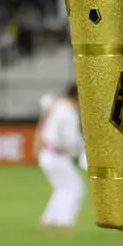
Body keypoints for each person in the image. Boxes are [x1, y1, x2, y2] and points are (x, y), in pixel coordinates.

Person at [37, 83, 85, 234]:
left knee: (63, 188)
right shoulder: (68, 112)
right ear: (77, 96)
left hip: (48, 154)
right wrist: (84, 144)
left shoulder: (58, 105)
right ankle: (64, 223)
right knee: (75, 188)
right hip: (57, 155)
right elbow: (70, 140)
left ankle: (49, 220)